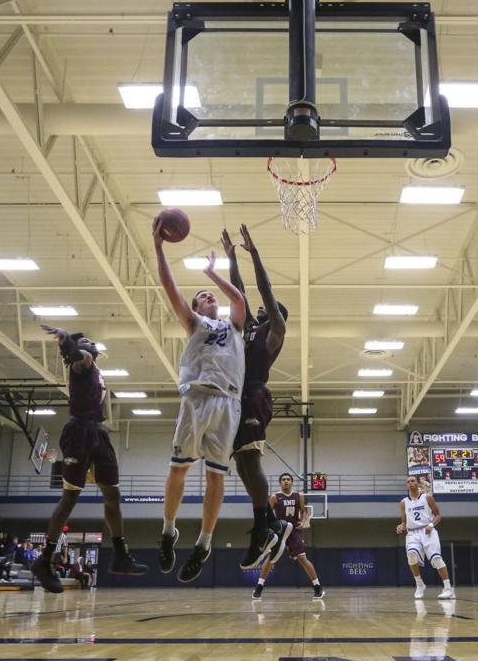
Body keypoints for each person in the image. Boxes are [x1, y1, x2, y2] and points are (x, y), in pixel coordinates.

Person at [154, 221, 248, 583]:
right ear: (194, 308)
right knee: (178, 469)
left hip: (228, 403)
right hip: (196, 400)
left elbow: (238, 300)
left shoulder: (235, 327)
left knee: (215, 479)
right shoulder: (194, 324)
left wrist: (213, 272)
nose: (210, 296)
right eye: (203, 294)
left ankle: (205, 542)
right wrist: (159, 247)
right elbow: (168, 287)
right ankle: (168, 531)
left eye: (211, 295)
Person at [30, 323, 147, 593]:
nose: (92, 344)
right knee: (70, 497)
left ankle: (120, 554)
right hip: (79, 433)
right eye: (87, 342)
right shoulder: (82, 364)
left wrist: (70, 344)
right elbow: (78, 357)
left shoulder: (94, 369)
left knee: (113, 494)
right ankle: (44, 560)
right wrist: (67, 343)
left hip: (98, 433)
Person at [222, 224, 291, 570]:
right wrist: (231, 257)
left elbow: (262, 289)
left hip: (255, 395)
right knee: (240, 461)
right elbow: (240, 292)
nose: (263, 309)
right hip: (237, 398)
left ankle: (264, 527)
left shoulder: (274, 331)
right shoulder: (249, 325)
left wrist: (254, 254)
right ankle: (269, 525)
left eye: (270, 307)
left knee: (251, 459)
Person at [253, 473, 324, 599]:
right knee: (271, 559)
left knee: (303, 558)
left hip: (294, 531)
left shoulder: (299, 496)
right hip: (279, 531)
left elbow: (304, 512)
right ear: (280, 483)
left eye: (288, 479)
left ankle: (317, 587)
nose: (286, 481)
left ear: (292, 482)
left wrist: (304, 521)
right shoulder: (275, 497)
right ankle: (259, 587)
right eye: (283, 480)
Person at [397, 475, 454, 600]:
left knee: (436, 559)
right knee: (411, 555)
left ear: (417, 483)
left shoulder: (427, 497)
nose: (410, 483)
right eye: (408, 482)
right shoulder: (403, 503)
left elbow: (438, 515)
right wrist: (401, 526)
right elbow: (404, 522)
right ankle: (419, 584)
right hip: (412, 533)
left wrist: (431, 524)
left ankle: (448, 589)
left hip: (428, 530)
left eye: (412, 481)